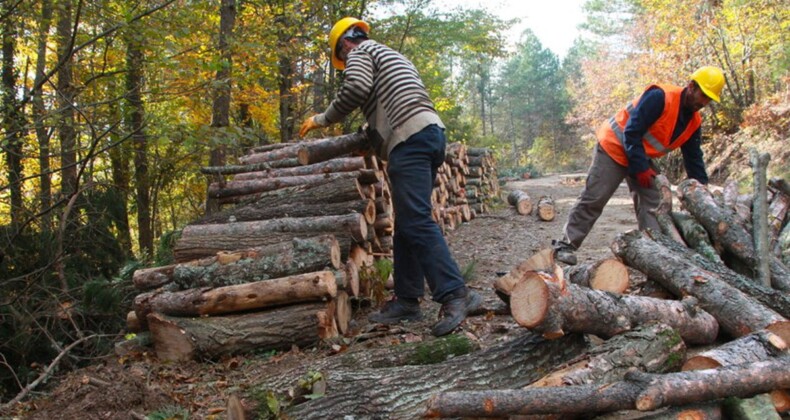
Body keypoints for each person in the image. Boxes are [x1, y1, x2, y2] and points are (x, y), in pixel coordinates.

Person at [299, 17, 481, 336]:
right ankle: (408, 300)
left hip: (410, 140)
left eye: (342, 58)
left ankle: (456, 294)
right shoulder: (390, 55)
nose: (345, 63)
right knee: (407, 223)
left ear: (344, 44)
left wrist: (322, 118)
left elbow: (356, 87)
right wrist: (372, 135)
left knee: (416, 221)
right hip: (429, 134)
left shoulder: (359, 52)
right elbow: (389, 102)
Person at [553, 66, 726, 265]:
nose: (704, 102)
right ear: (691, 86)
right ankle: (565, 245)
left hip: (639, 153)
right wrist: (641, 168)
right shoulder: (660, 97)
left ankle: (653, 254)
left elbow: (694, 158)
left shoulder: (694, 122)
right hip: (614, 146)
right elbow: (631, 131)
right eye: (702, 95)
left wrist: (701, 190)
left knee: (655, 202)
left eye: (709, 99)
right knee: (595, 197)